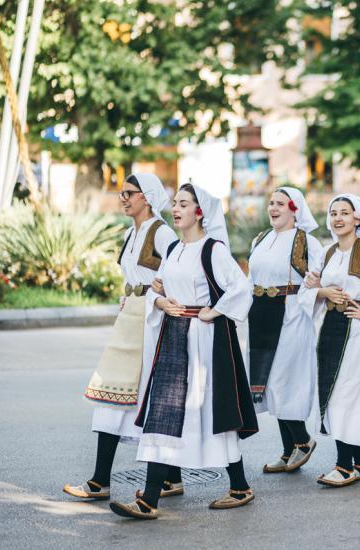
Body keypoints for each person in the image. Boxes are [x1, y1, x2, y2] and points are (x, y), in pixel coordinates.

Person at [109, 183, 258, 519]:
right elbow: (155, 289)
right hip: (174, 337)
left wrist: (213, 311)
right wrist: (159, 299)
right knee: (165, 410)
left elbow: (240, 288)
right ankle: (149, 499)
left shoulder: (213, 249)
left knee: (209, 413)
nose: (176, 209)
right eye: (175, 203)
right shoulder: (174, 248)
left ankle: (240, 485)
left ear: (199, 211)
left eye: (184, 204)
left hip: (204, 342)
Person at [64, 174, 178, 501]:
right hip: (131, 317)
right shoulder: (132, 232)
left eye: (129, 193)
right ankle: (158, 478)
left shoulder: (162, 232)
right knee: (114, 396)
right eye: (121, 193)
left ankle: (104, 481)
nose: (123, 198)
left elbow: (177, 274)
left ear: (148, 197)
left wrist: (160, 296)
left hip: (151, 319)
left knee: (141, 396)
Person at [300, 194, 360, 487]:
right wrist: (322, 292)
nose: (338, 218)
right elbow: (309, 288)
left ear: (358, 218)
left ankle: (344, 466)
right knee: (335, 392)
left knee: (347, 394)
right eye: (333, 213)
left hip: (354, 329)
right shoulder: (329, 253)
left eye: (345, 212)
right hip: (330, 325)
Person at [248, 188, 323, 473]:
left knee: (283, 381)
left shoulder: (306, 241)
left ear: (294, 209)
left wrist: (316, 282)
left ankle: (303, 440)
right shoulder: (262, 239)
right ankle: (288, 448)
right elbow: (250, 278)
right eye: (271, 203)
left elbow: (318, 275)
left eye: (280, 203)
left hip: (290, 314)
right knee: (267, 382)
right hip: (261, 313)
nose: (273, 208)